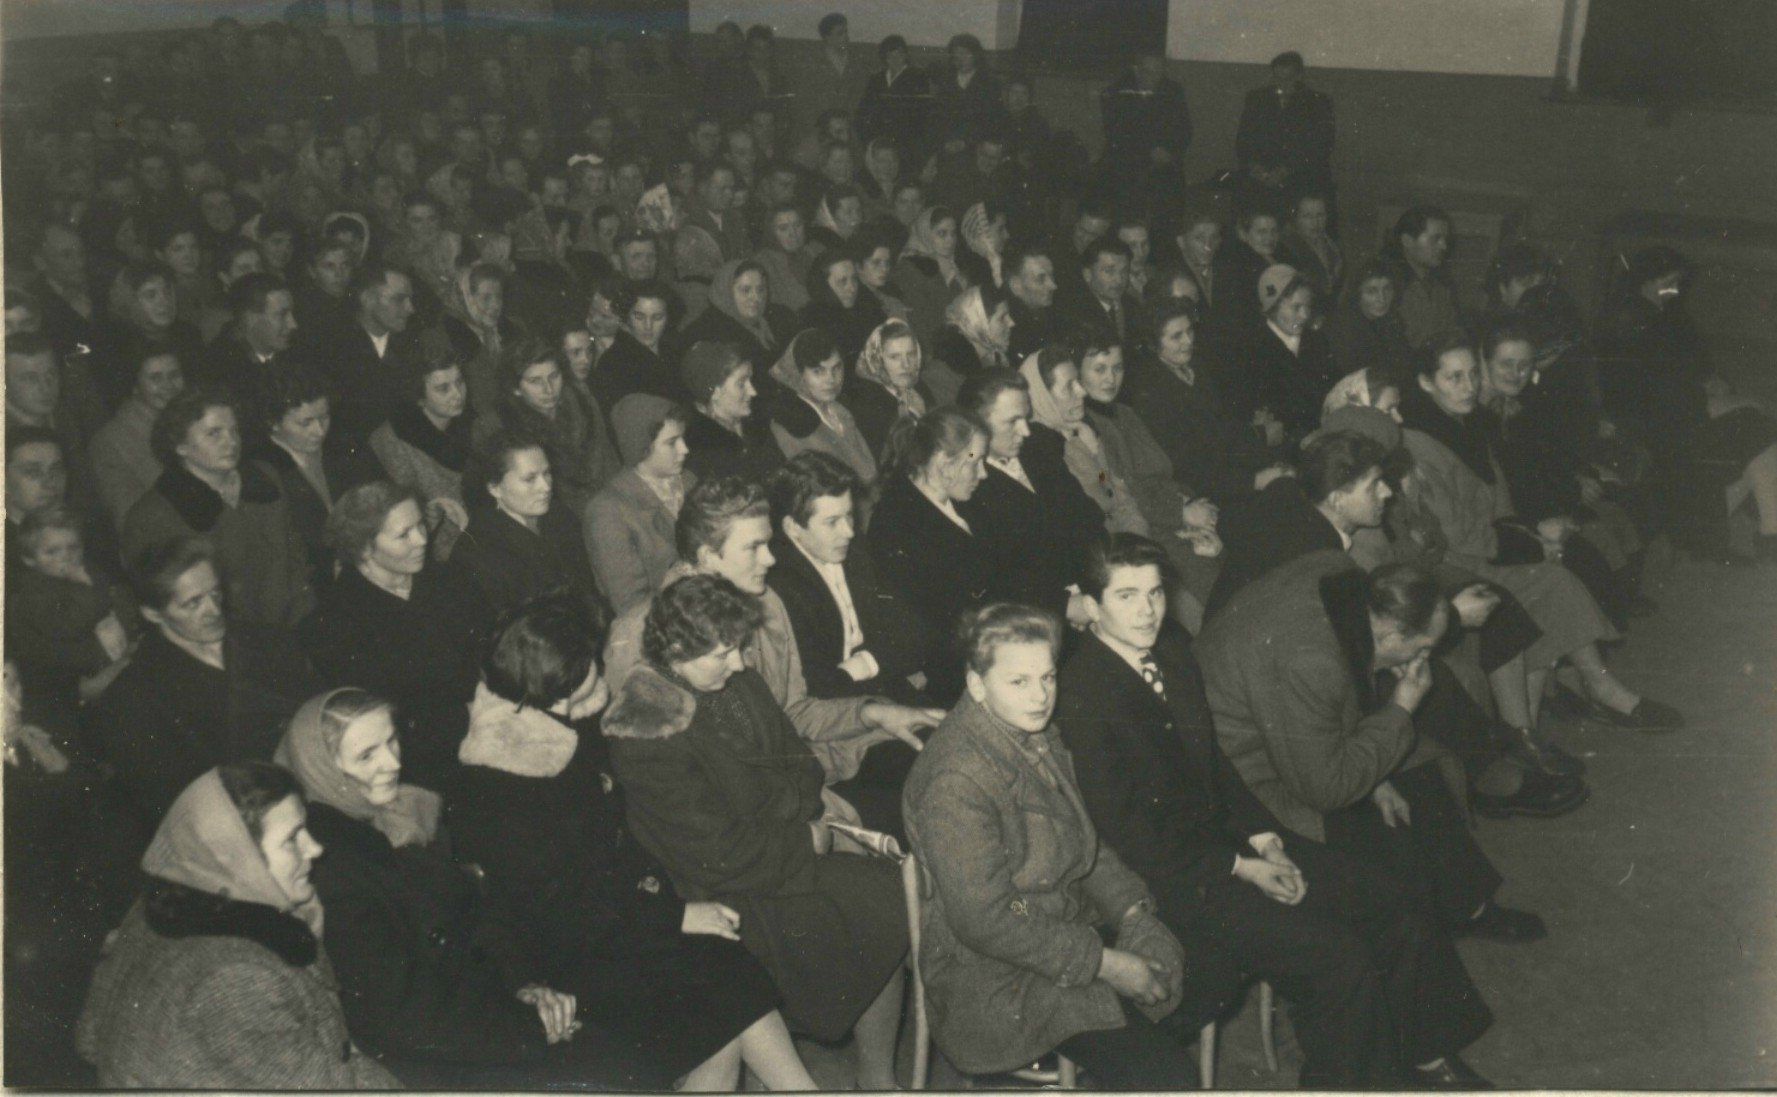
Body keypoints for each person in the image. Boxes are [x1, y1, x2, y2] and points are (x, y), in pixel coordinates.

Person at [1057, 534, 1496, 1087]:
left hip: (1228, 848)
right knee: (1337, 958)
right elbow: (1129, 834)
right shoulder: (1083, 693)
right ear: (1090, 606)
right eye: (1126, 596)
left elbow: (1216, 766)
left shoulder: (1170, 653)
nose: (1147, 610)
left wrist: (1266, 838)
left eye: (1155, 592)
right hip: (1169, 881)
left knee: (1390, 899)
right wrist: (1244, 867)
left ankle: (1420, 1053)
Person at [603, 575, 910, 1088]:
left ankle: (879, 1080)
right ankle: (870, 1078)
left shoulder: (737, 684)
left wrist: (784, 815)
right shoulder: (647, 727)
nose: (740, 663)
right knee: (874, 903)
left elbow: (802, 768)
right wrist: (805, 835)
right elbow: (713, 852)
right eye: (723, 653)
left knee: (888, 892)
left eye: (739, 648)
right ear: (676, 651)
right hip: (722, 888)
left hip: (774, 852)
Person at [904, 602, 1193, 1089]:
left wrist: (1133, 913)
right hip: (996, 978)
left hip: (1056, 936)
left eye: (1048, 677)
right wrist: (1105, 963)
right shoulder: (955, 778)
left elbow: (1086, 847)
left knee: (1198, 966)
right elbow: (986, 919)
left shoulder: (1033, 734)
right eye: (1019, 681)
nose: (1041, 696)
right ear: (977, 685)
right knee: (1165, 1073)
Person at [1198, 556, 1548, 946]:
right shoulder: (1310, 660)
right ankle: (1428, 929)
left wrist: (1377, 772)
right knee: (1390, 830)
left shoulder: (1337, 580)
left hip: (1285, 737)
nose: (1424, 658)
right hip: (1241, 782)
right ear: (1392, 635)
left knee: (1417, 772)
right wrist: (1402, 708)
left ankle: (1467, 906)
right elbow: (1327, 790)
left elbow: (1331, 705)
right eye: (1423, 648)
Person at [602, 475, 940, 810]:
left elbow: (795, 710)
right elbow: (666, 780)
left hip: (801, 770)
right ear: (707, 557)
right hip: (742, 804)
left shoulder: (767, 604)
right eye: (753, 548)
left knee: (928, 752)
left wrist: (871, 713)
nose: (770, 559)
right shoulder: (636, 638)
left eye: (768, 544)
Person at [1401, 332, 1683, 732]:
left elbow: (1501, 503)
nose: (1469, 387)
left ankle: (1574, 704)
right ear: (1426, 382)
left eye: (1472, 375)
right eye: (1454, 378)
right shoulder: (1420, 444)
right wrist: (1531, 545)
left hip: (1486, 549)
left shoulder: (1466, 425)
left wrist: (1532, 538)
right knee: (1549, 581)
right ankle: (1574, 705)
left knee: (1555, 578)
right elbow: (1457, 536)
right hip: (1457, 563)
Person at [75, 763, 397, 1088]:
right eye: (291, 839)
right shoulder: (239, 979)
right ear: (238, 858)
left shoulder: (163, 904)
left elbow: (90, 1036)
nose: (314, 848)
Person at [297, 482, 489, 794]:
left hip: (491, 728)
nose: (422, 540)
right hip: (423, 769)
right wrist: (469, 717)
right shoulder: (333, 625)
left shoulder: (451, 580)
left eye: (420, 526)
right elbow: (386, 722)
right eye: (404, 535)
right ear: (364, 549)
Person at [1596, 245, 1777, 560]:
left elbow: (1685, 370)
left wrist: (1709, 384)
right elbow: (1658, 389)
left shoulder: (1652, 314)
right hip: (1659, 424)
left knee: (1758, 426)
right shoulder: (1639, 322)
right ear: (1647, 281)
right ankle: (1766, 531)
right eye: (1669, 283)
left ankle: (1767, 529)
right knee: (1760, 429)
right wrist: (1707, 392)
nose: (1676, 290)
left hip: (1672, 412)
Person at [122, 387, 314, 634]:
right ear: (180, 445)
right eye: (214, 433)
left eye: (234, 431)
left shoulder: (264, 478)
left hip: (295, 626)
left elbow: (297, 560)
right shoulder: (153, 516)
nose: (231, 442)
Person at [1076, 332, 1224, 627]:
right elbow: (1117, 491)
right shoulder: (1087, 428)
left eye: (1117, 368)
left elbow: (1164, 473)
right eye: (1099, 369)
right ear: (1079, 374)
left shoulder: (1125, 413)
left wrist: (1191, 506)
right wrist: (1181, 514)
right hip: (1148, 531)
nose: (1111, 379)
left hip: (1175, 516)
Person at [957, 368, 1109, 625]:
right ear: (976, 425)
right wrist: (1063, 605)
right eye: (1012, 422)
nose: (1025, 431)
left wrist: (1103, 581)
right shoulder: (965, 484)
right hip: (1035, 617)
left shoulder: (1038, 444)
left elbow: (1087, 516)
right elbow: (995, 580)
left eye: (1026, 418)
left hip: (1093, 587)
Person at [869, 408, 996, 700]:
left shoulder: (964, 501)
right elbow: (932, 628)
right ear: (942, 462)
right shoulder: (895, 524)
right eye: (975, 462)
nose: (983, 473)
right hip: (955, 670)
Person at [1123, 300, 1282, 508]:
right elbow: (1187, 465)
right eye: (1176, 336)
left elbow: (1221, 429)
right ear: (1154, 343)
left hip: (1232, 474)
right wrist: (1254, 479)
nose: (1188, 341)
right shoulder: (1150, 392)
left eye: (1189, 331)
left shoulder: (1195, 367)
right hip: (1204, 495)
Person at [452, 430, 601, 620]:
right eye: (530, 479)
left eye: (547, 473)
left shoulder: (561, 517)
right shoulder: (476, 551)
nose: (546, 487)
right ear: (494, 488)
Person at [252, 364, 375, 588]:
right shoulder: (260, 472)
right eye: (305, 422)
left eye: (324, 417)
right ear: (273, 422)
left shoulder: (345, 448)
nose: (319, 431)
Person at [474, 336, 620, 520]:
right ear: (515, 388)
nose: (549, 389)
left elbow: (610, 462)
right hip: (550, 517)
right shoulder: (498, 426)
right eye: (535, 381)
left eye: (554, 376)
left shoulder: (582, 401)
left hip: (606, 507)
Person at [587, 394, 697, 615]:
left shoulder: (689, 481)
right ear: (642, 447)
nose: (685, 449)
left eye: (683, 438)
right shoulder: (608, 511)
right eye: (671, 442)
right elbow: (630, 606)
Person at [368, 354, 474, 559]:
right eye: (443, 388)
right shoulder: (393, 440)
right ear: (419, 397)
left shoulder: (471, 424)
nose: (457, 394)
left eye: (460, 382)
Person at [768, 327, 878, 486]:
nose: (831, 379)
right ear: (799, 374)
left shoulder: (840, 411)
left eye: (836, 368)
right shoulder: (789, 425)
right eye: (818, 372)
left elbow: (869, 471)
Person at [91, 346, 186, 527]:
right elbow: (128, 518)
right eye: (155, 378)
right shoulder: (111, 441)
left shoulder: (189, 426)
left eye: (174, 375)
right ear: (135, 386)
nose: (168, 385)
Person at [1242, 263, 1339, 440]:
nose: (1305, 315)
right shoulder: (1253, 352)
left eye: (1308, 306)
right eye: (1296, 307)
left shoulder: (1317, 342)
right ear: (1272, 308)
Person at [1235, 52, 1336, 214]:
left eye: (1288, 79)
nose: (1281, 85)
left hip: (1300, 175)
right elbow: (1243, 140)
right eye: (1277, 78)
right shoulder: (1256, 98)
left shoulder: (1317, 102)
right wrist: (1256, 167)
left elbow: (1321, 146)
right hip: (1261, 174)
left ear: (1300, 76)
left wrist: (1285, 171)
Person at [1100, 50, 1192, 223]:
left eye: (1159, 72)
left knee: (1171, 192)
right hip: (1128, 162)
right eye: (1148, 72)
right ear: (1136, 70)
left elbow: (1184, 130)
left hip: (1164, 162)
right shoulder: (1117, 92)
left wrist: (1169, 151)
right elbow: (1117, 133)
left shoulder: (1173, 90)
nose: (1154, 78)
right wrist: (1150, 150)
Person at [846, 317, 938, 461]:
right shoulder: (867, 402)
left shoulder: (918, 387)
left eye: (911, 354)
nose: (906, 364)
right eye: (895, 357)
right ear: (877, 359)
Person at [683, 258, 797, 373]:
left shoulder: (779, 317)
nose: (756, 297)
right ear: (726, 291)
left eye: (761, 289)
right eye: (745, 290)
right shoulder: (710, 333)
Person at [1327, 256, 1414, 380]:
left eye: (1387, 289)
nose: (1382, 299)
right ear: (1357, 294)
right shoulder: (1344, 328)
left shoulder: (1393, 321)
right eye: (1372, 291)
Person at [857, 35, 934, 171]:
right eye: (890, 56)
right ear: (884, 58)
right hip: (878, 136)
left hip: (906, 138)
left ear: (905, 55)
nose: (895, 59)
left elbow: (920, 113)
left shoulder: (917, 76)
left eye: (899, 54)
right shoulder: (877, 79)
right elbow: (865, 108)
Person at [1386, 206, 1460, 349]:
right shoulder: (1386, 285)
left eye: (1445, 239)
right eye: (1436, 239)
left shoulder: (1443, 287)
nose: (1444, 246)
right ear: (1407, 241)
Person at [894, 206, 968, 341]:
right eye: (942, 234)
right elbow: (920, 321)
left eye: (953, 233)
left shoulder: (954, 265)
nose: (950, 240)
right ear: (925, 234)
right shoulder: (909, 267)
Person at [932, 282, 1014, 381]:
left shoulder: (994, 356)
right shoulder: (951, 373)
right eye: (1002, 318)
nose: (1011, 323)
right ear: (978, 323)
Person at [1278, 188, 1343, 300]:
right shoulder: (1286, 249)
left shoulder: (1332, 247)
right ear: (1295, 218)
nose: (1315, 222)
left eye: (1320, 215)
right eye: (1307, 216)